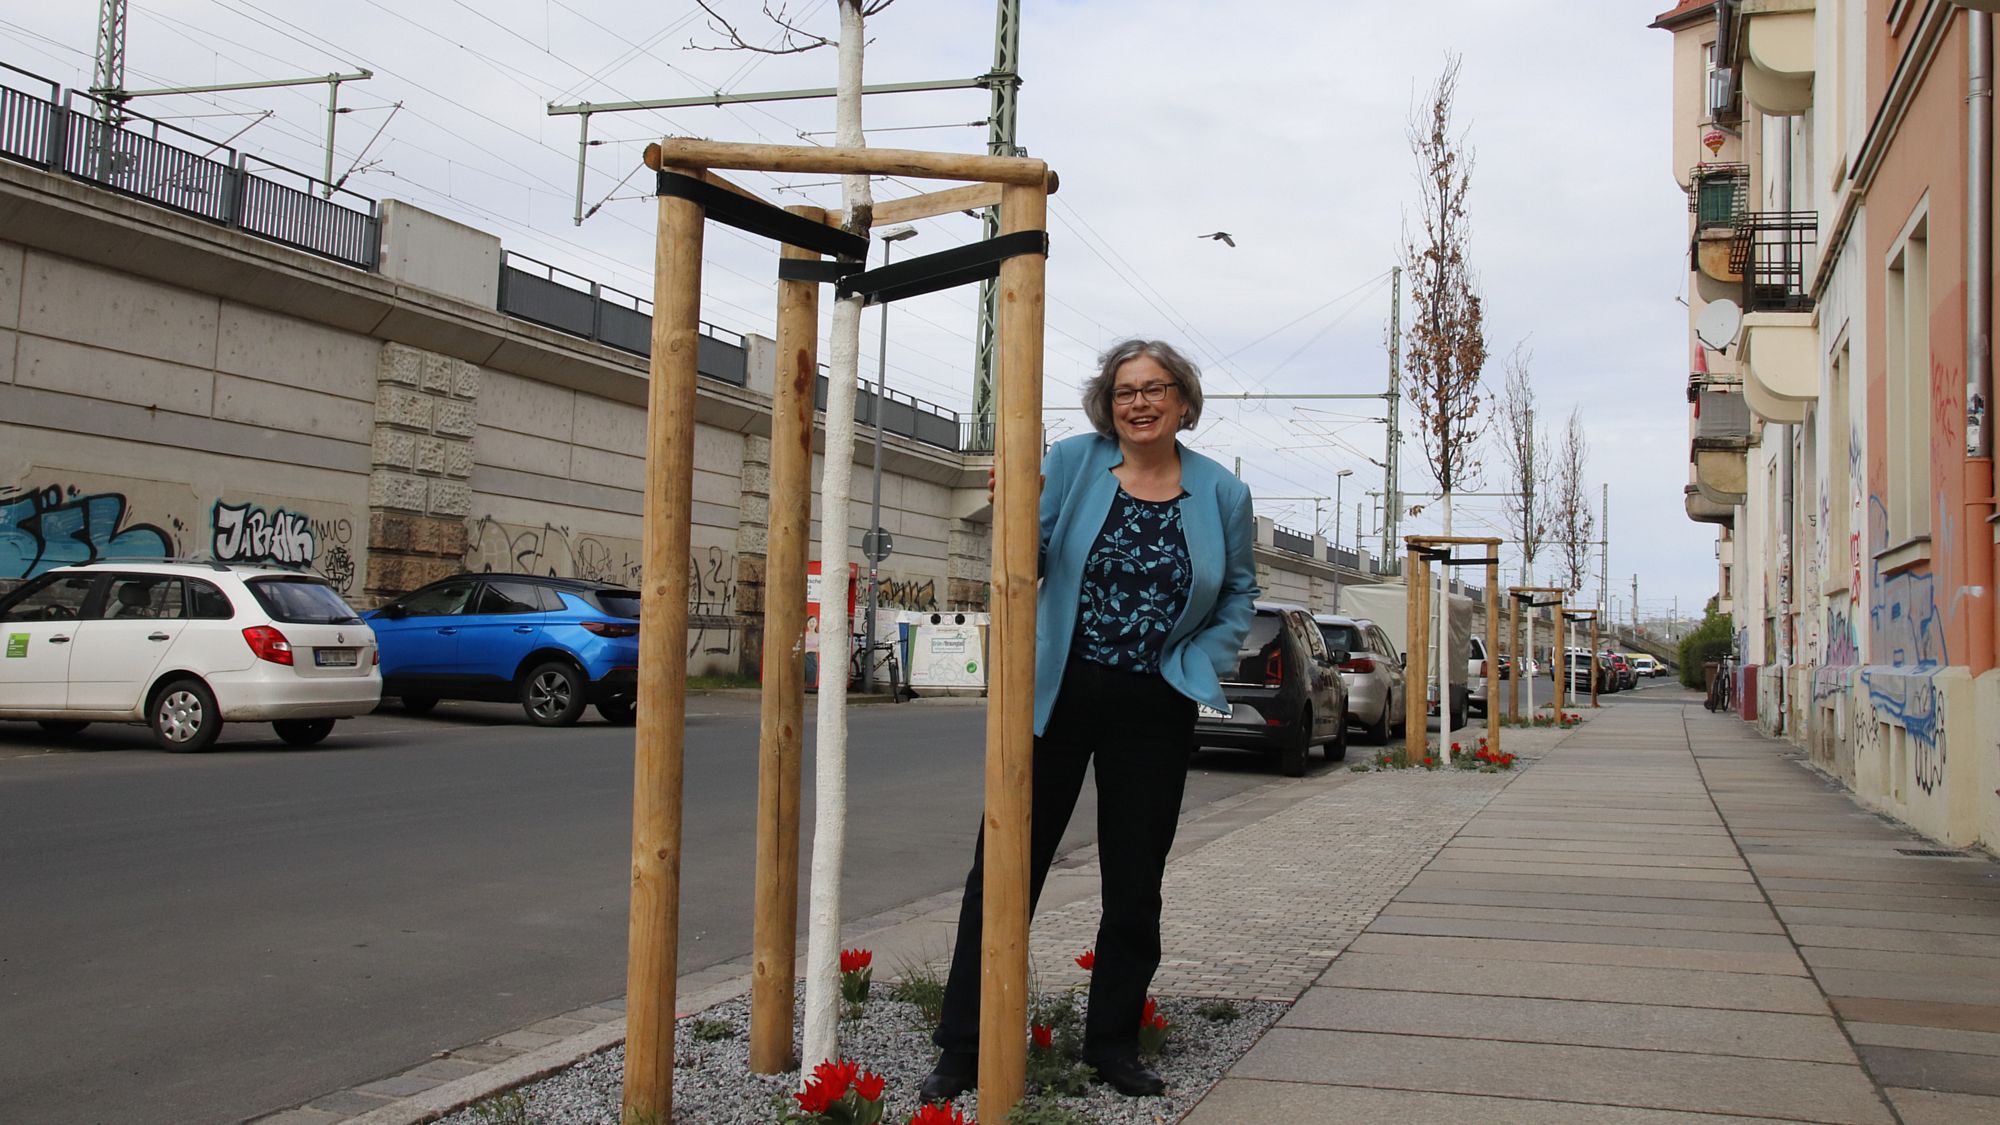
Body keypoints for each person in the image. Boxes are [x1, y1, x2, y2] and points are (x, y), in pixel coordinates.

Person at [921, 339, 1259, 1101]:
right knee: (1005, 868)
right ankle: (963, 1044)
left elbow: (1238, 590)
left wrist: (1202, 657)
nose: (1138, 402)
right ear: (1108, 403)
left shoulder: (1222, 495)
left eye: (1154, 388)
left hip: (1155, 700)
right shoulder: (1075, 463)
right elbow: (1025, 555)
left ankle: (1110, 1043)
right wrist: (1014, 514)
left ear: (1182, 400)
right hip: (1058, 692)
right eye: (1124, 390)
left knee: (1135, 881)